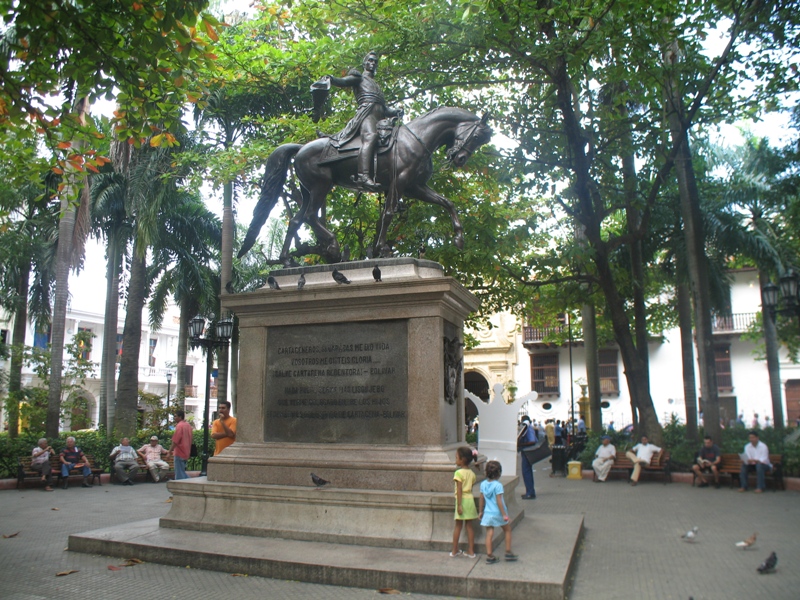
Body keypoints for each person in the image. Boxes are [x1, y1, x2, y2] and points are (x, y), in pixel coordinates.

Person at [321, 51, 403, 192]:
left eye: (375, 62)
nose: (373, 64)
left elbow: (383, 108)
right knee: (371, 137)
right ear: (364, 63)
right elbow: (343, 82)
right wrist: (331, 79)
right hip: (366, 115)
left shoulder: (376, 86)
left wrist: (394, 112)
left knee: (393, 142)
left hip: (380, 119)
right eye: (370, 61)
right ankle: (363, 176)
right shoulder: (358, 78)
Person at [479, 460, 516, 564]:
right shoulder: (498, 485)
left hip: (487, 513)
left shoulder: (483, 484)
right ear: (499, 473)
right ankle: (508, 552)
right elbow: (499, 500)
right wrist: (504, 514)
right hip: (498, 513)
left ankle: (489, 555)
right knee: (507, 529)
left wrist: (480, 512)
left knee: (489, 533)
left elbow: (481, 498)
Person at [450, 446, 478, 558]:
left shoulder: (458, 473)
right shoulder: (472, 473)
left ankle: (454, 549)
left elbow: (459, 490)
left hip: (462, 501)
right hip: (470, 500)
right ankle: (471, 550)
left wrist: (459, 504)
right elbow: (471, 486)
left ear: (462, 460)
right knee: (469, 526)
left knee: (458, 526)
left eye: (456, 457)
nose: (455, 459)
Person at [517, 415, 537, 499]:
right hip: (526, 452)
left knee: (526, 472)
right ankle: (530, 491)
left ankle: (530, 493)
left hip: (527, 452)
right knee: (527, 472)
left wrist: (521, 444)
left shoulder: (528, 428)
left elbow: (532, 441)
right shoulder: (529, 428)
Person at [169, 410, 193, 480]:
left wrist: (170, 451)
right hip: (186, 451)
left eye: (175, 416)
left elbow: (175, 440)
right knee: (182, 471)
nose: (174, 418)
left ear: (180, 417)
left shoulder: (179, 426)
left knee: (179, 473)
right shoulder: (188, 425)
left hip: (179, 452)